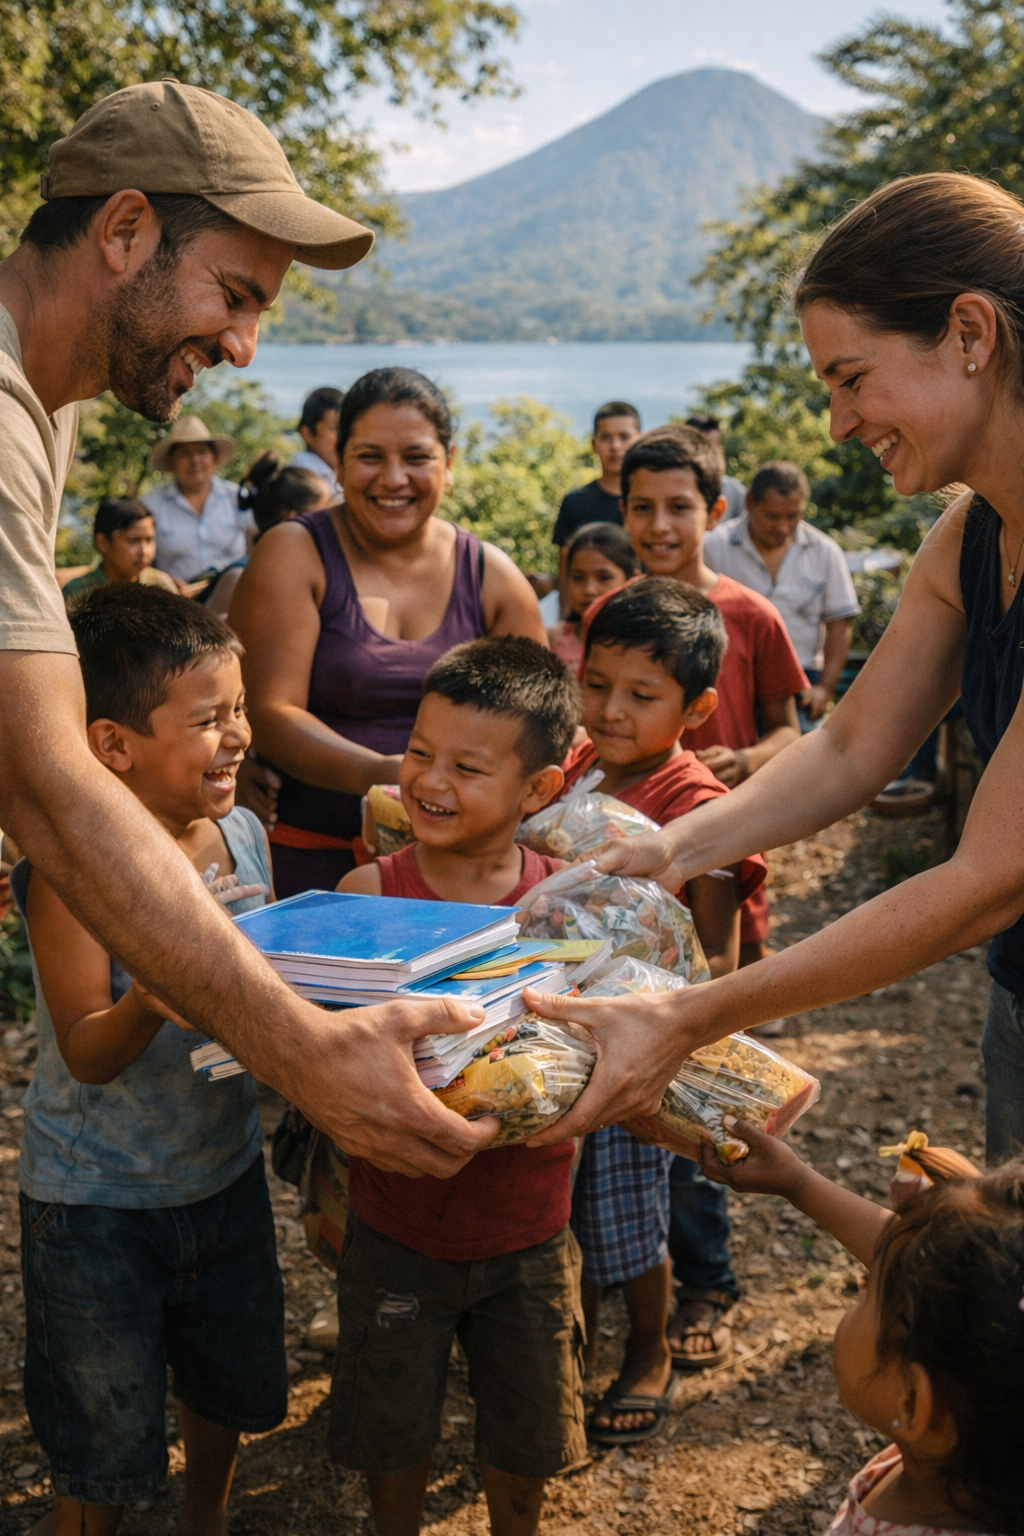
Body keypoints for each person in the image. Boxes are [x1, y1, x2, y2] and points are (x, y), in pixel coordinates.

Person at [0, 77, 498, 1201]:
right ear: (124, 231)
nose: (242, 347)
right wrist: (298, 1049)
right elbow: (43, 775)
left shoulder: (50, 398)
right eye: (233, 294)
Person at [520, 172, 1024, 1175]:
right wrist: (668, 849)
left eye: (850, 378)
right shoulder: (971, 535)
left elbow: (984, 879)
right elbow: (846, 744)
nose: (837, 423)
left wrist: (692, 1015)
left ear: (970, 336)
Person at [14, 584, 287, 1534]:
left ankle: (204, 1518)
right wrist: (150, 1003)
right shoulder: (72, 873)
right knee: (103, 1442)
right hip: (96, 1204)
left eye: (241, 709)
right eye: (208, 720)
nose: (239, 736)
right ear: (112, 745)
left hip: (223, 1176)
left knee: (225, 1384)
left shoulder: (243, 836)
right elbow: (87, 1051)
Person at [334, 638, 586, 1536]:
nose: (430, 781)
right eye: (418, 754)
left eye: (468, 767)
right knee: (389, 1430)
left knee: (527, 1437)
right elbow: (335, 1054)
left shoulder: (564, 912)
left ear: (540, 790)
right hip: (397, 1224)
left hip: (531, 1227)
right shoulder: (367, 894)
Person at [561, 578, 767, 1440]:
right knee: (558, 1209)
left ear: (699, 707)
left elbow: (715, 959)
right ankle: (571, 1347)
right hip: (557, 1031)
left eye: (642, 696)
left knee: (625, 1213)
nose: (610, 711)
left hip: (636, 1042)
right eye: (596, 684)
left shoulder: (698, 808)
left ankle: (649, 1349)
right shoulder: (575, 768)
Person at [231, 366, 547, 898]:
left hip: (458, 882)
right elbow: (268, 710)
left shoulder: (491, 576)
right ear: (338, 462)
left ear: (449, 464)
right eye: (370, 456)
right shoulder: (294, 553)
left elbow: (540, 727)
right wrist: (382, 773)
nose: (393, 478)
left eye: (417, 457)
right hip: (310, 864)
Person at [700, 1121, 1021, 1536]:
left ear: (912, 1401)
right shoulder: (965, 1447)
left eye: (866, 1290)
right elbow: (918, 1273)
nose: (860, 1285)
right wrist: (797, 1182)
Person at [616, 426, 807, 965]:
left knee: (728, 962)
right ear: (623, 511)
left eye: (679, 507)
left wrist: (744, 759)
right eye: (642, 507)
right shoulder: (610, 615)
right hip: (628, 831)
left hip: (726, 830)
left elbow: (788, 729)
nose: (659, 526)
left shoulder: (752, 615)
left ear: (716, 510)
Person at [704, 461, 860, 731]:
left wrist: (824, 688)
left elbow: (839, 625)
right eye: (773, 516)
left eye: (793, 516)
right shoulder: (713, 546)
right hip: (730, 681)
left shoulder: (824, 552)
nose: (784, 527)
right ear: (750, 502)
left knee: (800, 768)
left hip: (801, 682)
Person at [204, 453, 332, 622]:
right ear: (294, 520)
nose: (333, 521)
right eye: (325, 513)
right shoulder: (241, 579)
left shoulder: (309, 574)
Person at [141, 415, 253, 584]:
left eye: (202, 451)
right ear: (171, 461)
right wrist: (167, 583)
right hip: (176, 600)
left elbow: (256, 545)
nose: (195, 460)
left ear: (214, 458)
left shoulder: (236, 497)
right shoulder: (151, 504)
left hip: (235, 596)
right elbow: (139, 558)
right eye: (185, 453)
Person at [552, 402, 642, 610]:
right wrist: (567, 623)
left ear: (639, 441)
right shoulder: (575, 502)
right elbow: (566, 571)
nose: (615, 446)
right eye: (606, 437)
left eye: (624, 437)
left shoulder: (650, 504)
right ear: (593, 444)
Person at [546, 521, 637, 673]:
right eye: (578, 577)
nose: (589, 590)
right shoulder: (552, 640)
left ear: (632, 581)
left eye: (604, 577)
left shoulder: (643, 645)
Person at [61, 496, 178, 603]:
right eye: (133, 541)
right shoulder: (76, 593)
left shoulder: (160, 586)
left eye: (149, 540)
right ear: (103, 543)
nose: (144, 552)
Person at [684, 414, 746, 520]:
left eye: (717, 446)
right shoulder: (672, 488)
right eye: (707, 447)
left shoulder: (734, 492)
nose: (715, 454)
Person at [291, 384, 343, 497]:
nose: (343, 437)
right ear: (307, 433)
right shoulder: (299, 484)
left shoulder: (335, 475)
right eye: (335, 428)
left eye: (346, 427)